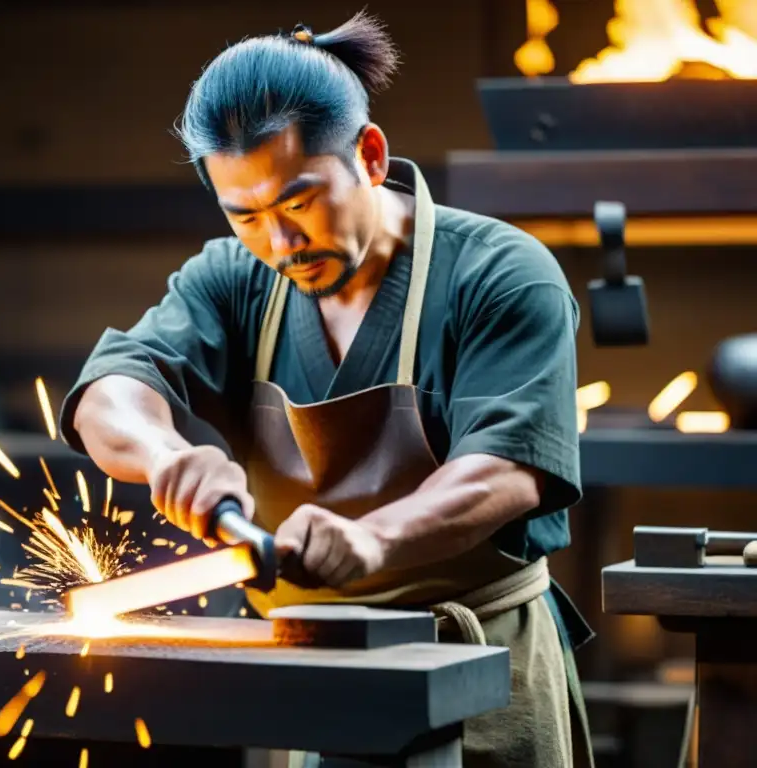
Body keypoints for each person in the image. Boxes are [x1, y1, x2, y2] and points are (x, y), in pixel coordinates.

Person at [59, 11, 594, 768]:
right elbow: (108, 388)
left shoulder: (500, 274)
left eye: (300, 202)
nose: (280, 243)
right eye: (245, 215)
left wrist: (374, 538)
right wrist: (164, 453)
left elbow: (511, 468)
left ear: (370, 156)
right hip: (303, 679)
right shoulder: (233, 279)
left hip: (478, 674)